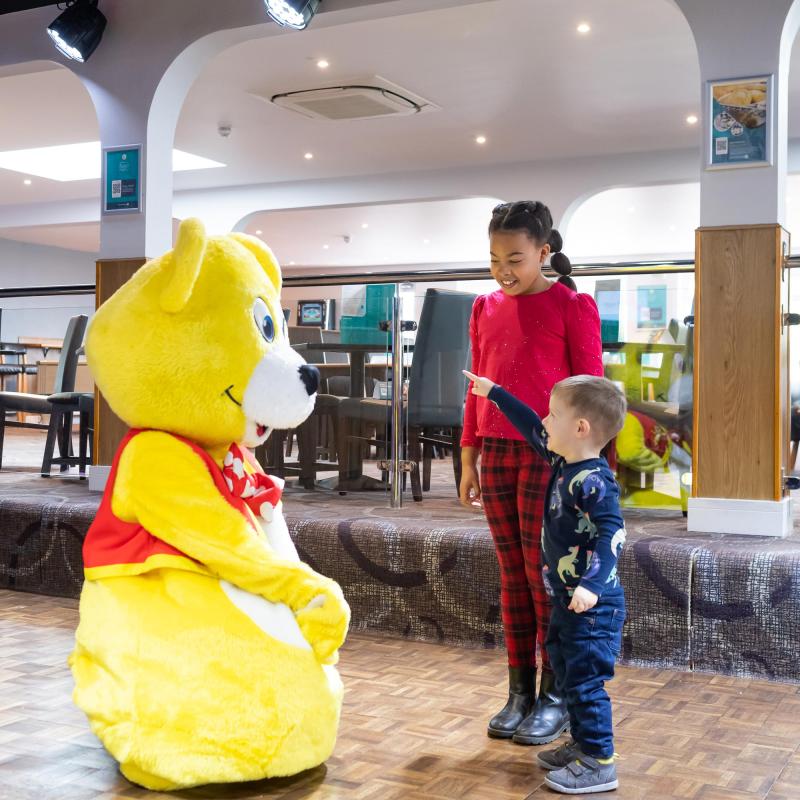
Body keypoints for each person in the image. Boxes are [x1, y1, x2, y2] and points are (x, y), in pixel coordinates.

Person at [459, 201, 603, 745]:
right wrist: (467, 453)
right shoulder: (483, 307)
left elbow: (593, 395)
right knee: (511, 575)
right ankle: (519, 691)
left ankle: (555, 693)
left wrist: (592, 473)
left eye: (515, 257)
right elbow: (475, 387)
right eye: (495, 258)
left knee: (547, 576)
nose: (503, 269)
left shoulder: (572, 305)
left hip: (552, 457)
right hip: (494, 453)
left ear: (543, 252)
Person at [464, 371, 627, 795]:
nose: (544, 421)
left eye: (553, 415)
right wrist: (496, 393)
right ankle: (581, 745)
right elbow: (530, 428)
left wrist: (592, 584)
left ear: (580, 429)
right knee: (569, 674)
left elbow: (613, 533)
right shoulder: (563, 461)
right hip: (566, 602)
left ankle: (599, 762)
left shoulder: (594, 481)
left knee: (586, 682)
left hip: (593, 607)